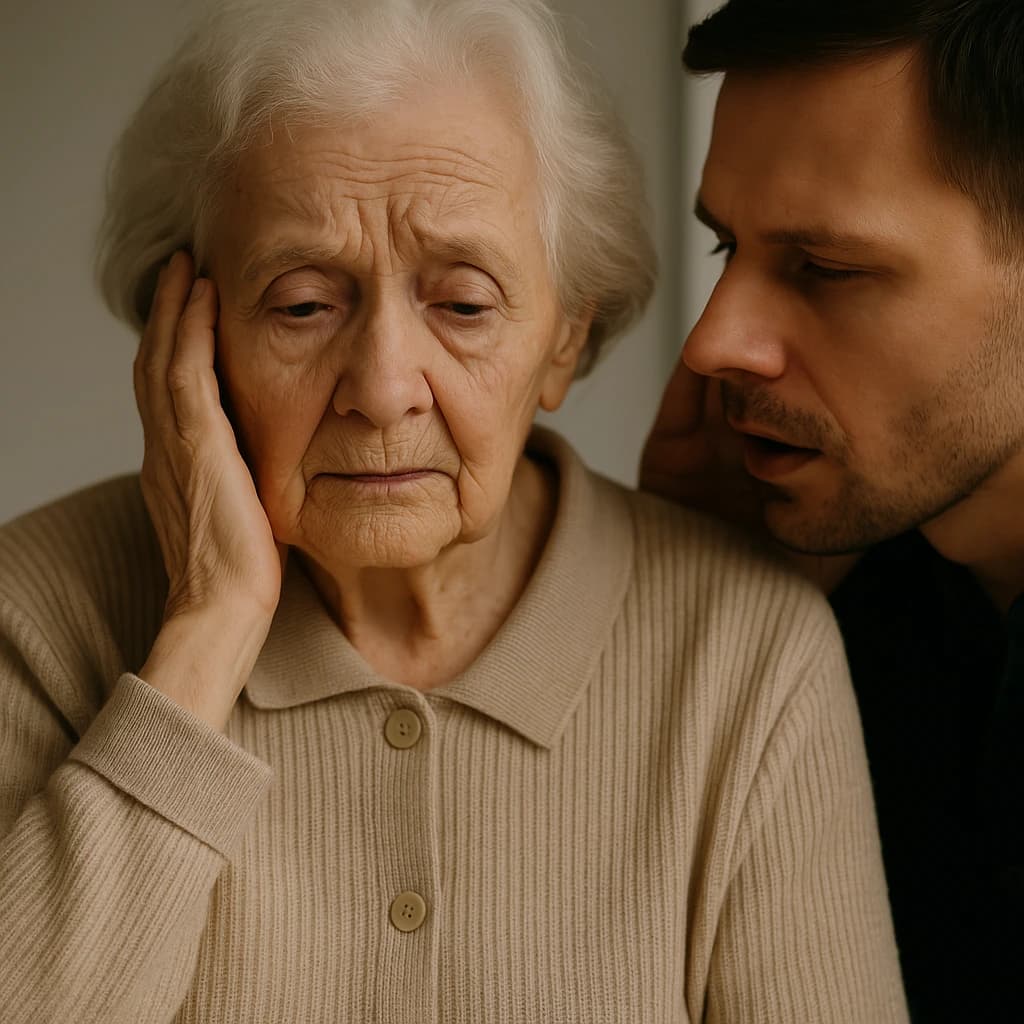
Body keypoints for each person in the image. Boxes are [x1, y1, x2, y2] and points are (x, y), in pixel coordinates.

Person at [0, 1, 908, 1021]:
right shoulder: (35, 611)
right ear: (189, 335)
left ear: (565, 338)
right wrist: (205, 633)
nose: (383, 386)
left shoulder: (747, 652)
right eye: (303, 303)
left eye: (463, 304)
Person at [641, 1, 1024, 1021]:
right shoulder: (849, 614)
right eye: (727, 250)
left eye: (825, 269)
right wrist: (708, 618)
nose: (713, 343)